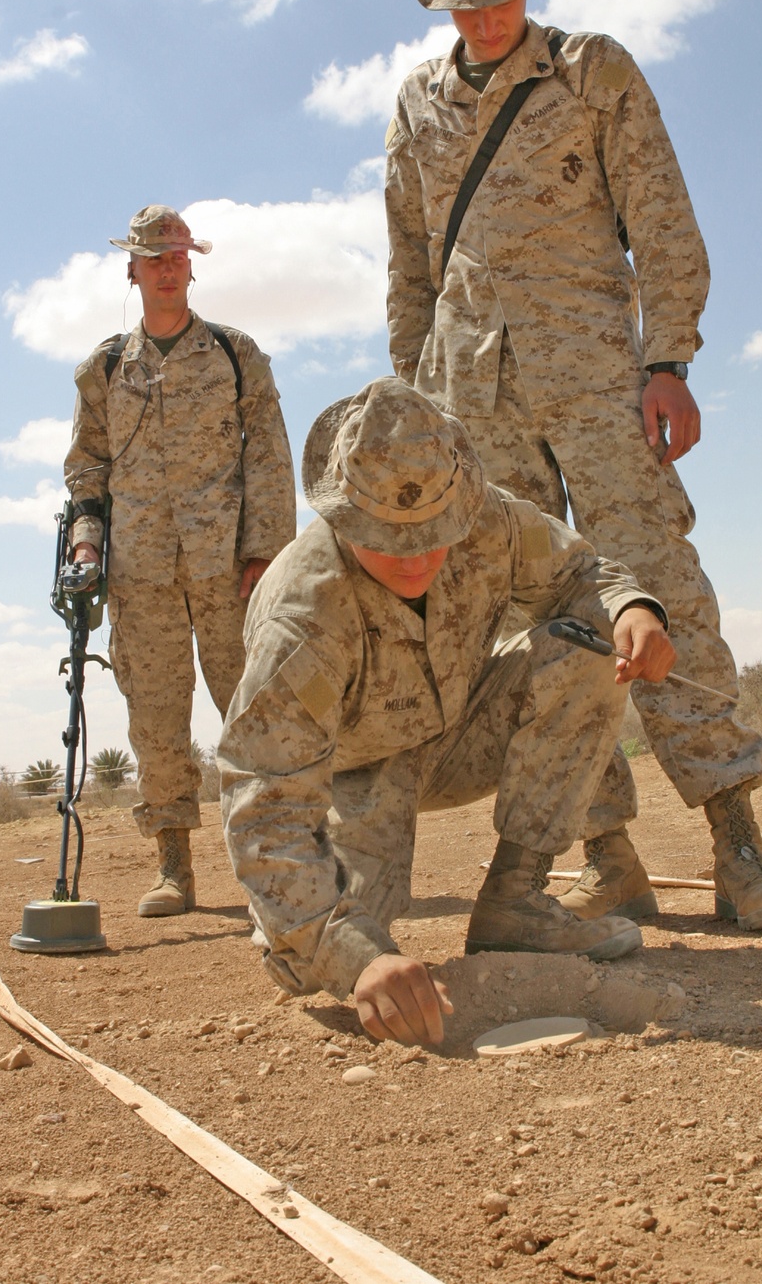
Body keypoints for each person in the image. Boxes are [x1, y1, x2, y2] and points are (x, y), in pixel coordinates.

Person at [384, 0, 762, 933]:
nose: (483, 15)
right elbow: (408, 267)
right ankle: (605, 854)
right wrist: (415, 398)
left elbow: (661, 215)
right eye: (466, 1)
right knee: (539, 622)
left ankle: (736, 847)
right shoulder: (415, 106)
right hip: (470, 399)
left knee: (658, 586)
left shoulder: (592, 72)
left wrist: (667, 357)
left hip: (595, 380)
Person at [218, 377, 676, 1046]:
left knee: (588, 646)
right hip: (356, 776)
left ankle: (516, 902)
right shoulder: (301, 617)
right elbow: (265, 808)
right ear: (344, 516)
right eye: (391, 540)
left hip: (462, 730)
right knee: (311, 961)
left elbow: (584, 574)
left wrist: (634, 609)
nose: (417, 558)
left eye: (434, 535)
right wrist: (357, 956)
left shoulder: (484, 517)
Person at [65, 205, 296, 917]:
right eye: (154, 257)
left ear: (192, 265)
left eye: (178, 256)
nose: (168, 267)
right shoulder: (103, 369)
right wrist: (84, 548)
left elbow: (269, 459)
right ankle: (175, 870)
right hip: (141, 578)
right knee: (157, 722)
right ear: (131, 270)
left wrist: (267, 555)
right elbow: (87, 476)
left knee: (258, 712)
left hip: (231, 571)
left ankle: (281, 860)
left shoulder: (235, 353)